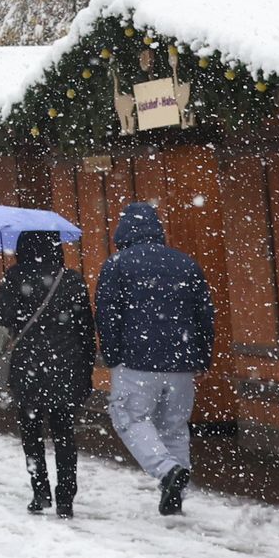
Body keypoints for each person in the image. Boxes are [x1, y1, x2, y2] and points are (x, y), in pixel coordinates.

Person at [94, 198, 217, 515]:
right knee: (174, 427)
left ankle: (167, 471)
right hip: (182, 363)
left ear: (123, 231)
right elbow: (204, 314)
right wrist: (202, 356)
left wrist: (112, 354)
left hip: (137, 361)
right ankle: (175, 494)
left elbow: (107, 314)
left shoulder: (117, 265)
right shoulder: (186, 264)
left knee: (129, 418)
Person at [0, 225, 96, 518]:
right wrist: (85, 369)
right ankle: (65, 498)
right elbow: (86, 329)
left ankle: (40, 491)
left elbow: (3, 319)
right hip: (66, 364)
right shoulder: (72, 279)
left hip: (28, 367)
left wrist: (2, 292)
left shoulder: (14, 277)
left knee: (31, 432)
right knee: (64, 433)